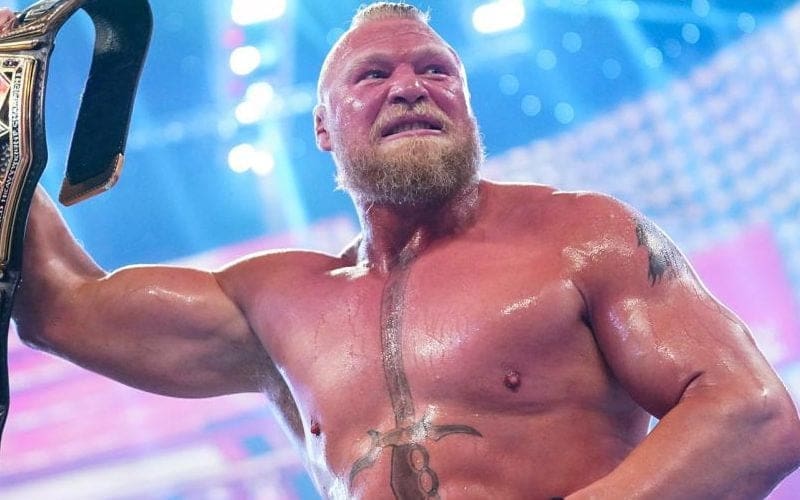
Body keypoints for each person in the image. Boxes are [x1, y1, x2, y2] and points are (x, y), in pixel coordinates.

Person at [3, 2, 800, 498]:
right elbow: (62, 306)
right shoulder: (275, 304)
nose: (411, 87)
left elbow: (752, 412)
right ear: (323, 128)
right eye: (373, 75)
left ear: (467, 106)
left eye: (436, 70)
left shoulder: (582, 236)